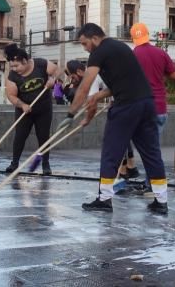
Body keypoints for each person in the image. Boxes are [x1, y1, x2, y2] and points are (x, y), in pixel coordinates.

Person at [58, 23, 168, 214]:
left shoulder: (99, 52)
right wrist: (98, 97)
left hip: (126, 106)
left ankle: (104, 199)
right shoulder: (120, 47)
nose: (84, 48)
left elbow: (85, 85)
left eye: (84, 44)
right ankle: (161, 201)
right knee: (151, 153)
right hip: (147, 104)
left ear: (94, 38)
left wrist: (70, 114)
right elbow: (122, 82)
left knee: (111, 152)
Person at [122, 23, 175, 183]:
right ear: (148, 35)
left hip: (138, 107)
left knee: (134, 143)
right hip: (159, 107)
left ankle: (145, 180)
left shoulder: (131, 55)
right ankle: (152, 184)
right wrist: (160, 75)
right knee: (152, 149)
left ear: (133, 38)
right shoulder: (160, 53)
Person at [4, 43, 57, 175]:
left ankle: (45, 164)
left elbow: (56, 70)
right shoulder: (13, 76)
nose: (14, 69)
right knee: (20, 136)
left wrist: (53, 79)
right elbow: (11, 95)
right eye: (12, 66)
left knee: (43, 136)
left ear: (25, 61)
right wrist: (22, 105)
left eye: (17, 66)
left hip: (43, 108)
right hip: (24, 109)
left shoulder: (40, 64)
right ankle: (14, 163)